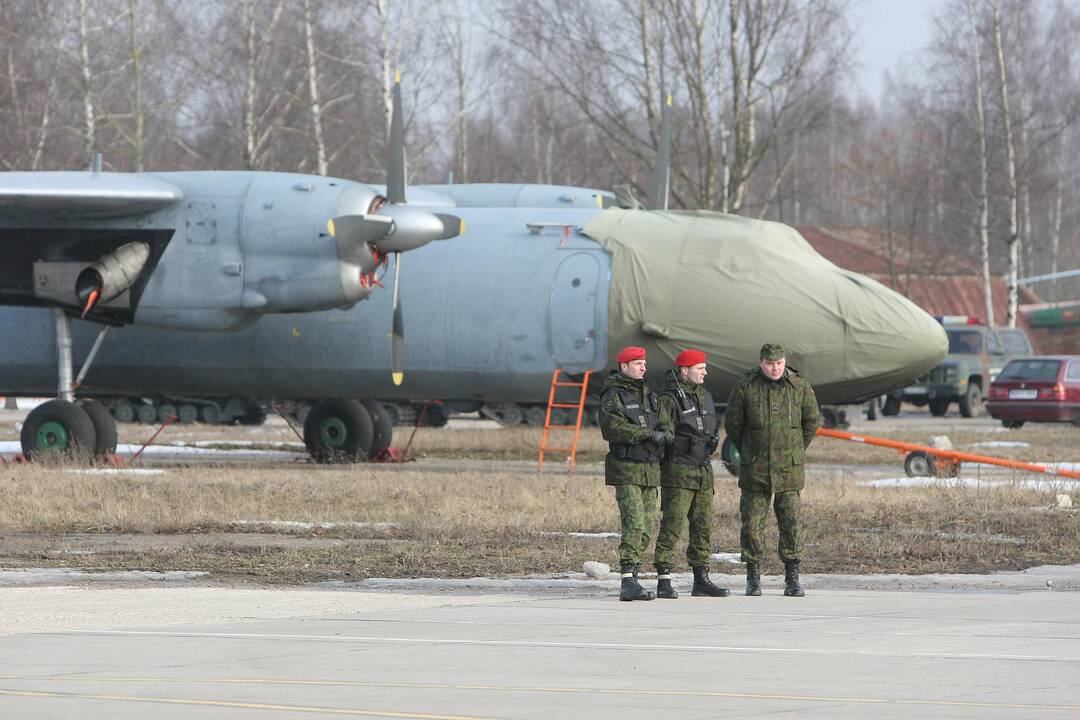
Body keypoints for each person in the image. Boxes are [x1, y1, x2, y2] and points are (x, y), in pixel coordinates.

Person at [724, 343, 820, 597]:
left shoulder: (799, 386)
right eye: (770, 363)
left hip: (789, 468)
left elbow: (811, 421)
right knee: (752, 524)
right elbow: (733, 423)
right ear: (761, 363)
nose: (775, 368)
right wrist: (748, 450)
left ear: (784, 362)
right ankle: (753, 577)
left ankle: (792, 576)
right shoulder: (746, 387)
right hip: (755, 468)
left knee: (791, 523)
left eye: (779, 363)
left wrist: (796, 449)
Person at [599, 345, 674, 601]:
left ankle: (635, 577)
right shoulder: (613, 395)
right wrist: (646, 434)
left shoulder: (651, 396)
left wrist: (663, 435)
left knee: (646, 528)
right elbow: (613, 428)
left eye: (643, 362)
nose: (643, 366)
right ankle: (627, 580)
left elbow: (666, 425)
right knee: (634, 524)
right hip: (627, 470)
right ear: (624, 366)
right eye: (637, 363)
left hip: (650, 471)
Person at [653, 349, 729, 599]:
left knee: (702, 527)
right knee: (672, 527)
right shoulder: (669, 399)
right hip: (678, 473)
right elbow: (663, 435)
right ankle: (664, 579)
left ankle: (701, 578)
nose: (705, 372)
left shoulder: (706, 396)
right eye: (700, 367)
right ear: (685, 370)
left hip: (703, 473)